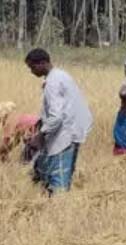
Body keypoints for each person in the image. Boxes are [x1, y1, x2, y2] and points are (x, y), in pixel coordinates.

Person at [24, 48, 93, 195]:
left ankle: (58, 204)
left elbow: (56, 116)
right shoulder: (60, 75)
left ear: (43, 63)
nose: (31, 71)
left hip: (65, 133)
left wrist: (40, 136)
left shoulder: (52, 83)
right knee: (43, 166)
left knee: (58, 175)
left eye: (32, 67)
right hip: (74, 128)